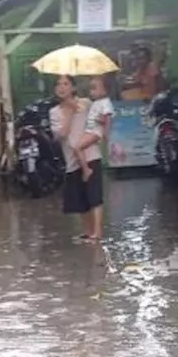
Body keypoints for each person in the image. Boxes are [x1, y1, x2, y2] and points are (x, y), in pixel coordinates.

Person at [48, 74, 93, 241]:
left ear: (73, 87)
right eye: (58, 84)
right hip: (72, 159)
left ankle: (96, 232)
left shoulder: (85, 104)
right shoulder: (54, 112)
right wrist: (69, 113)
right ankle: (89, 231)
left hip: (89, 155)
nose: (62, 87)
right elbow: (62, 134)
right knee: (80, 199)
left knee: (93, 196)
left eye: (66, 84)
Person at [76, 75, 114, 242]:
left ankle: (86, 169)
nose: (92, 91)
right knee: (77, 146)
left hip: (95, 132)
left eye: (95, 88)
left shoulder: (105, 103)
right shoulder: (95, 103)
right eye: (91, 88)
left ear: (104, 90)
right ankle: (85, 168)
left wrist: (105, 133)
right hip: (91, 131)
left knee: (77, 147)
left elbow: (107, 119)